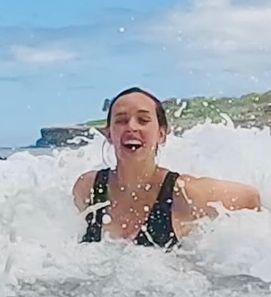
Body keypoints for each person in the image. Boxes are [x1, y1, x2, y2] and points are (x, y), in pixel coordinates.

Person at [74, 87, 261, 248]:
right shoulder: (88, 188)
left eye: (143, 120)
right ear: (108, 134)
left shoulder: (184, 194)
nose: (131, 127)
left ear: (161, 134)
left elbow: (250, 197)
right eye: (121, 121)